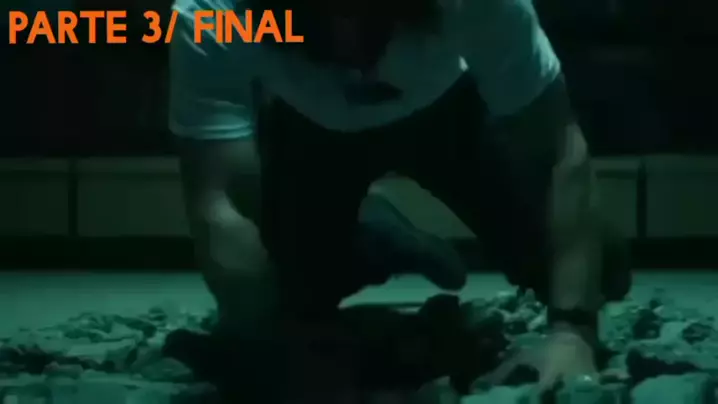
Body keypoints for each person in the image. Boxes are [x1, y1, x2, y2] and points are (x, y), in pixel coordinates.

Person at [169, 0, 609, 399]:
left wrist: (573, 331)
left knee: (600, 274)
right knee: (289, 302)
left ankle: (363, 230)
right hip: (309, 129)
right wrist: (273, 352)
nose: (349, 38)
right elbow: (220, 202)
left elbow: (558, 150)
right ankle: (370, 238)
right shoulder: (216, 13)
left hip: (450, 109)